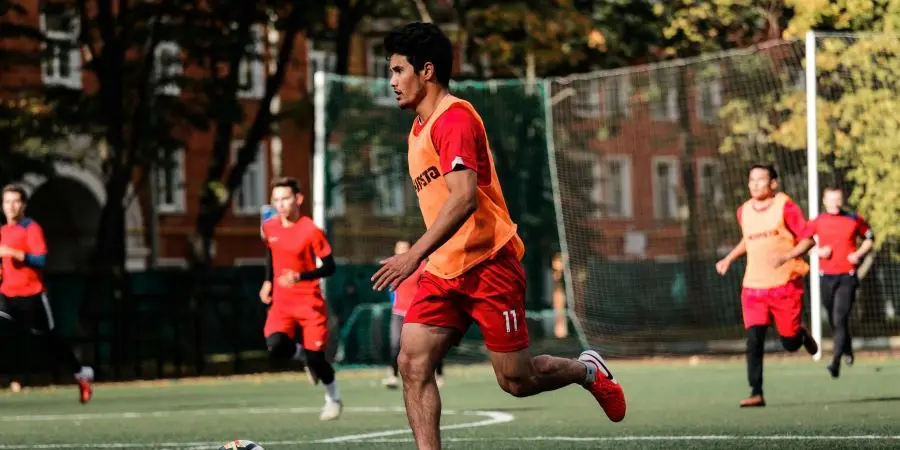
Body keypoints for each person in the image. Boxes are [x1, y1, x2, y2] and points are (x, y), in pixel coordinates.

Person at [371, 22, 626, 449]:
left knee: (516, 380)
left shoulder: (454, 118)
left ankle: (587, 371)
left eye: (398, 71)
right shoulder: (417, 130)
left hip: (489, 262)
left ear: (427, 70)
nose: (392, 81)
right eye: (391, 72)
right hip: (445, 268)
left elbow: (464, 199)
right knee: (412, 363)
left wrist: (412, 254)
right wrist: (426, 257)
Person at [716, 164, 819, 408]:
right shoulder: (743, 211)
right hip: (753, 287)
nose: (754, 184)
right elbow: (748, 240)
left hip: (785, 285)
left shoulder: (786, 206)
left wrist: (787, 256)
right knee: (754, 340)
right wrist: (729, 258)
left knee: (790, 344)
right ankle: (756, 391)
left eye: (761, 180)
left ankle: (800, 334)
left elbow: (808, 239)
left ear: (774, 183)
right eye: (751, 180)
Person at [0, 184, 94, 403]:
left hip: (32, 297)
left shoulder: (31, 228)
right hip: (6, 296)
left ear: (23, 205)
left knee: (51, 343)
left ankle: (81, 374)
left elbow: (41, 260)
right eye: (7, 202)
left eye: (15, 201)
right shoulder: (3, 232)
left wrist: (16, 253)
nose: (11, 206)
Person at [259, 177, 342, 421]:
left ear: (298, 199)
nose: (281, 204)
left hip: (309, 302)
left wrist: (301, 276)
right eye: (276, 200)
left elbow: (330, 267)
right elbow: (271, 254)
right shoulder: (270, 227)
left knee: (317, 359)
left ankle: (333, 398)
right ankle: (302, 355)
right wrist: (267, 282)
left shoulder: (311, 230)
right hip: (281, 303)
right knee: (275, 345)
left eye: (285, 198)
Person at [776, 186, 873, 378]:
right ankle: (847, 347)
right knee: (833, 318)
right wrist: (818, 252)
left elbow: (870, 238)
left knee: (840, 317)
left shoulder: (854, 219)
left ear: (842, 199)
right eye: (831, 199)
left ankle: (835, 362)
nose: (835, 203)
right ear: (824, 201)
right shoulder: (818, 222)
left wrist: (859, 254)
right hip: (826, 277)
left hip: (848, 276)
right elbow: (801, 243)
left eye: (838, 199)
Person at [382, 240, 444, 389]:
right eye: (399, 248)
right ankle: (392, 376)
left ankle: (439, 373)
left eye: (405, 248)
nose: (402, 250)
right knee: (396, 343)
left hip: (417, 312)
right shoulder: (392, 265)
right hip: (398, 312)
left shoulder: (420, 265)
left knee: (428, 345)